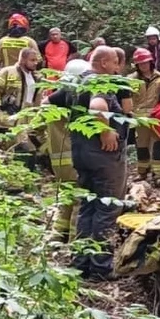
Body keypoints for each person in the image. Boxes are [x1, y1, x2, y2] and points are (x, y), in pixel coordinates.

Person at [47, 46, 125, 280]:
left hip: (80, 156)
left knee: (87, 208)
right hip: (103, 158)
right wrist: (105, 132)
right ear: (102, 64)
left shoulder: (75, 83)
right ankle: (101, 267)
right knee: (107, 208)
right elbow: (98, 106)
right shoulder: (99, 82)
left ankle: (81, 262)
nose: (116, 68)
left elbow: (49, 101)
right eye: (113, 63)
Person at [45, 58, 94, 243]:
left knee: (66, 198)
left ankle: (57, 235)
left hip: (57, 163)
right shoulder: (75, 111)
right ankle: (75, 240)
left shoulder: (50, 107)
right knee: (79, 200)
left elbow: (37, 133)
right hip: (73, 160)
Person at [130, 47, 160, 181]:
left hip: (156, 115)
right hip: (139, 117)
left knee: (158, 144)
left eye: (146, 63)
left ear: (151, 62)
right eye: (141, 64)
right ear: (137, 65)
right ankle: (142, 172)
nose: (144, 66)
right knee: (142, 145)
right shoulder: (131, 80)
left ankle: (159, 175)